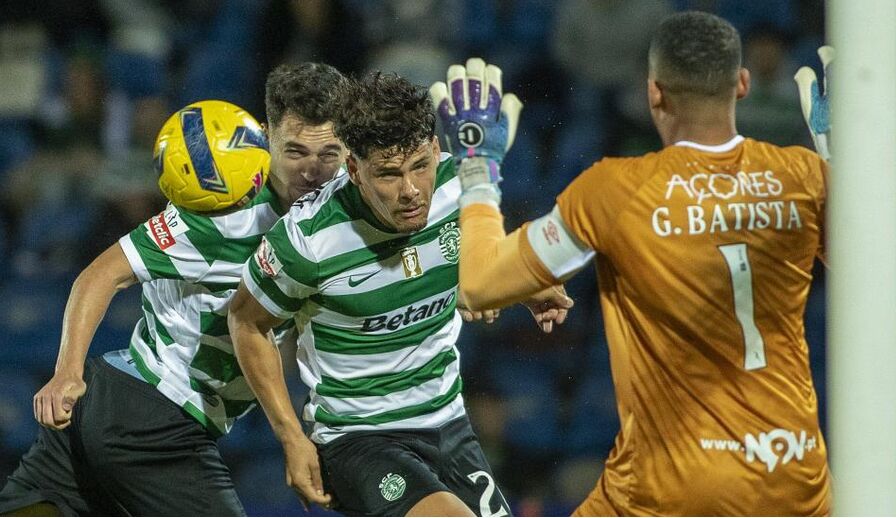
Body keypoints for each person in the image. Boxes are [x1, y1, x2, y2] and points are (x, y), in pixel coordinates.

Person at [431, 11, 831, 516]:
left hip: (669, 485)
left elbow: (479, 282)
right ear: (743, 84)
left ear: (654, 93)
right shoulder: (803, 176)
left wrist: (477, 169)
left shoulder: (616, 191)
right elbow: (872, 273)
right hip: (793, 475)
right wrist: (845, 165)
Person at [0, 62, 348, 516]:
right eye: (296, 152)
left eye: (329, 154)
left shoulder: (340, 210)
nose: (312, 171)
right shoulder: (220, 213)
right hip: (153, 414)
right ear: (266, 140)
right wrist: (67, 371)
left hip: (122, 403)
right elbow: (100, 275)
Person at [228, 71, 566, 516]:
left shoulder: (460, 187)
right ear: (354, 169)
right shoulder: (307, 240)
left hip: (449, 424)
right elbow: (246, 322)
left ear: (437, 149)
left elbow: (480, 260)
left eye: (420, 166)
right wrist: (291, 436)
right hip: (359, 440)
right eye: (388, 174)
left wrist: (519, 285)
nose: (410, 191)